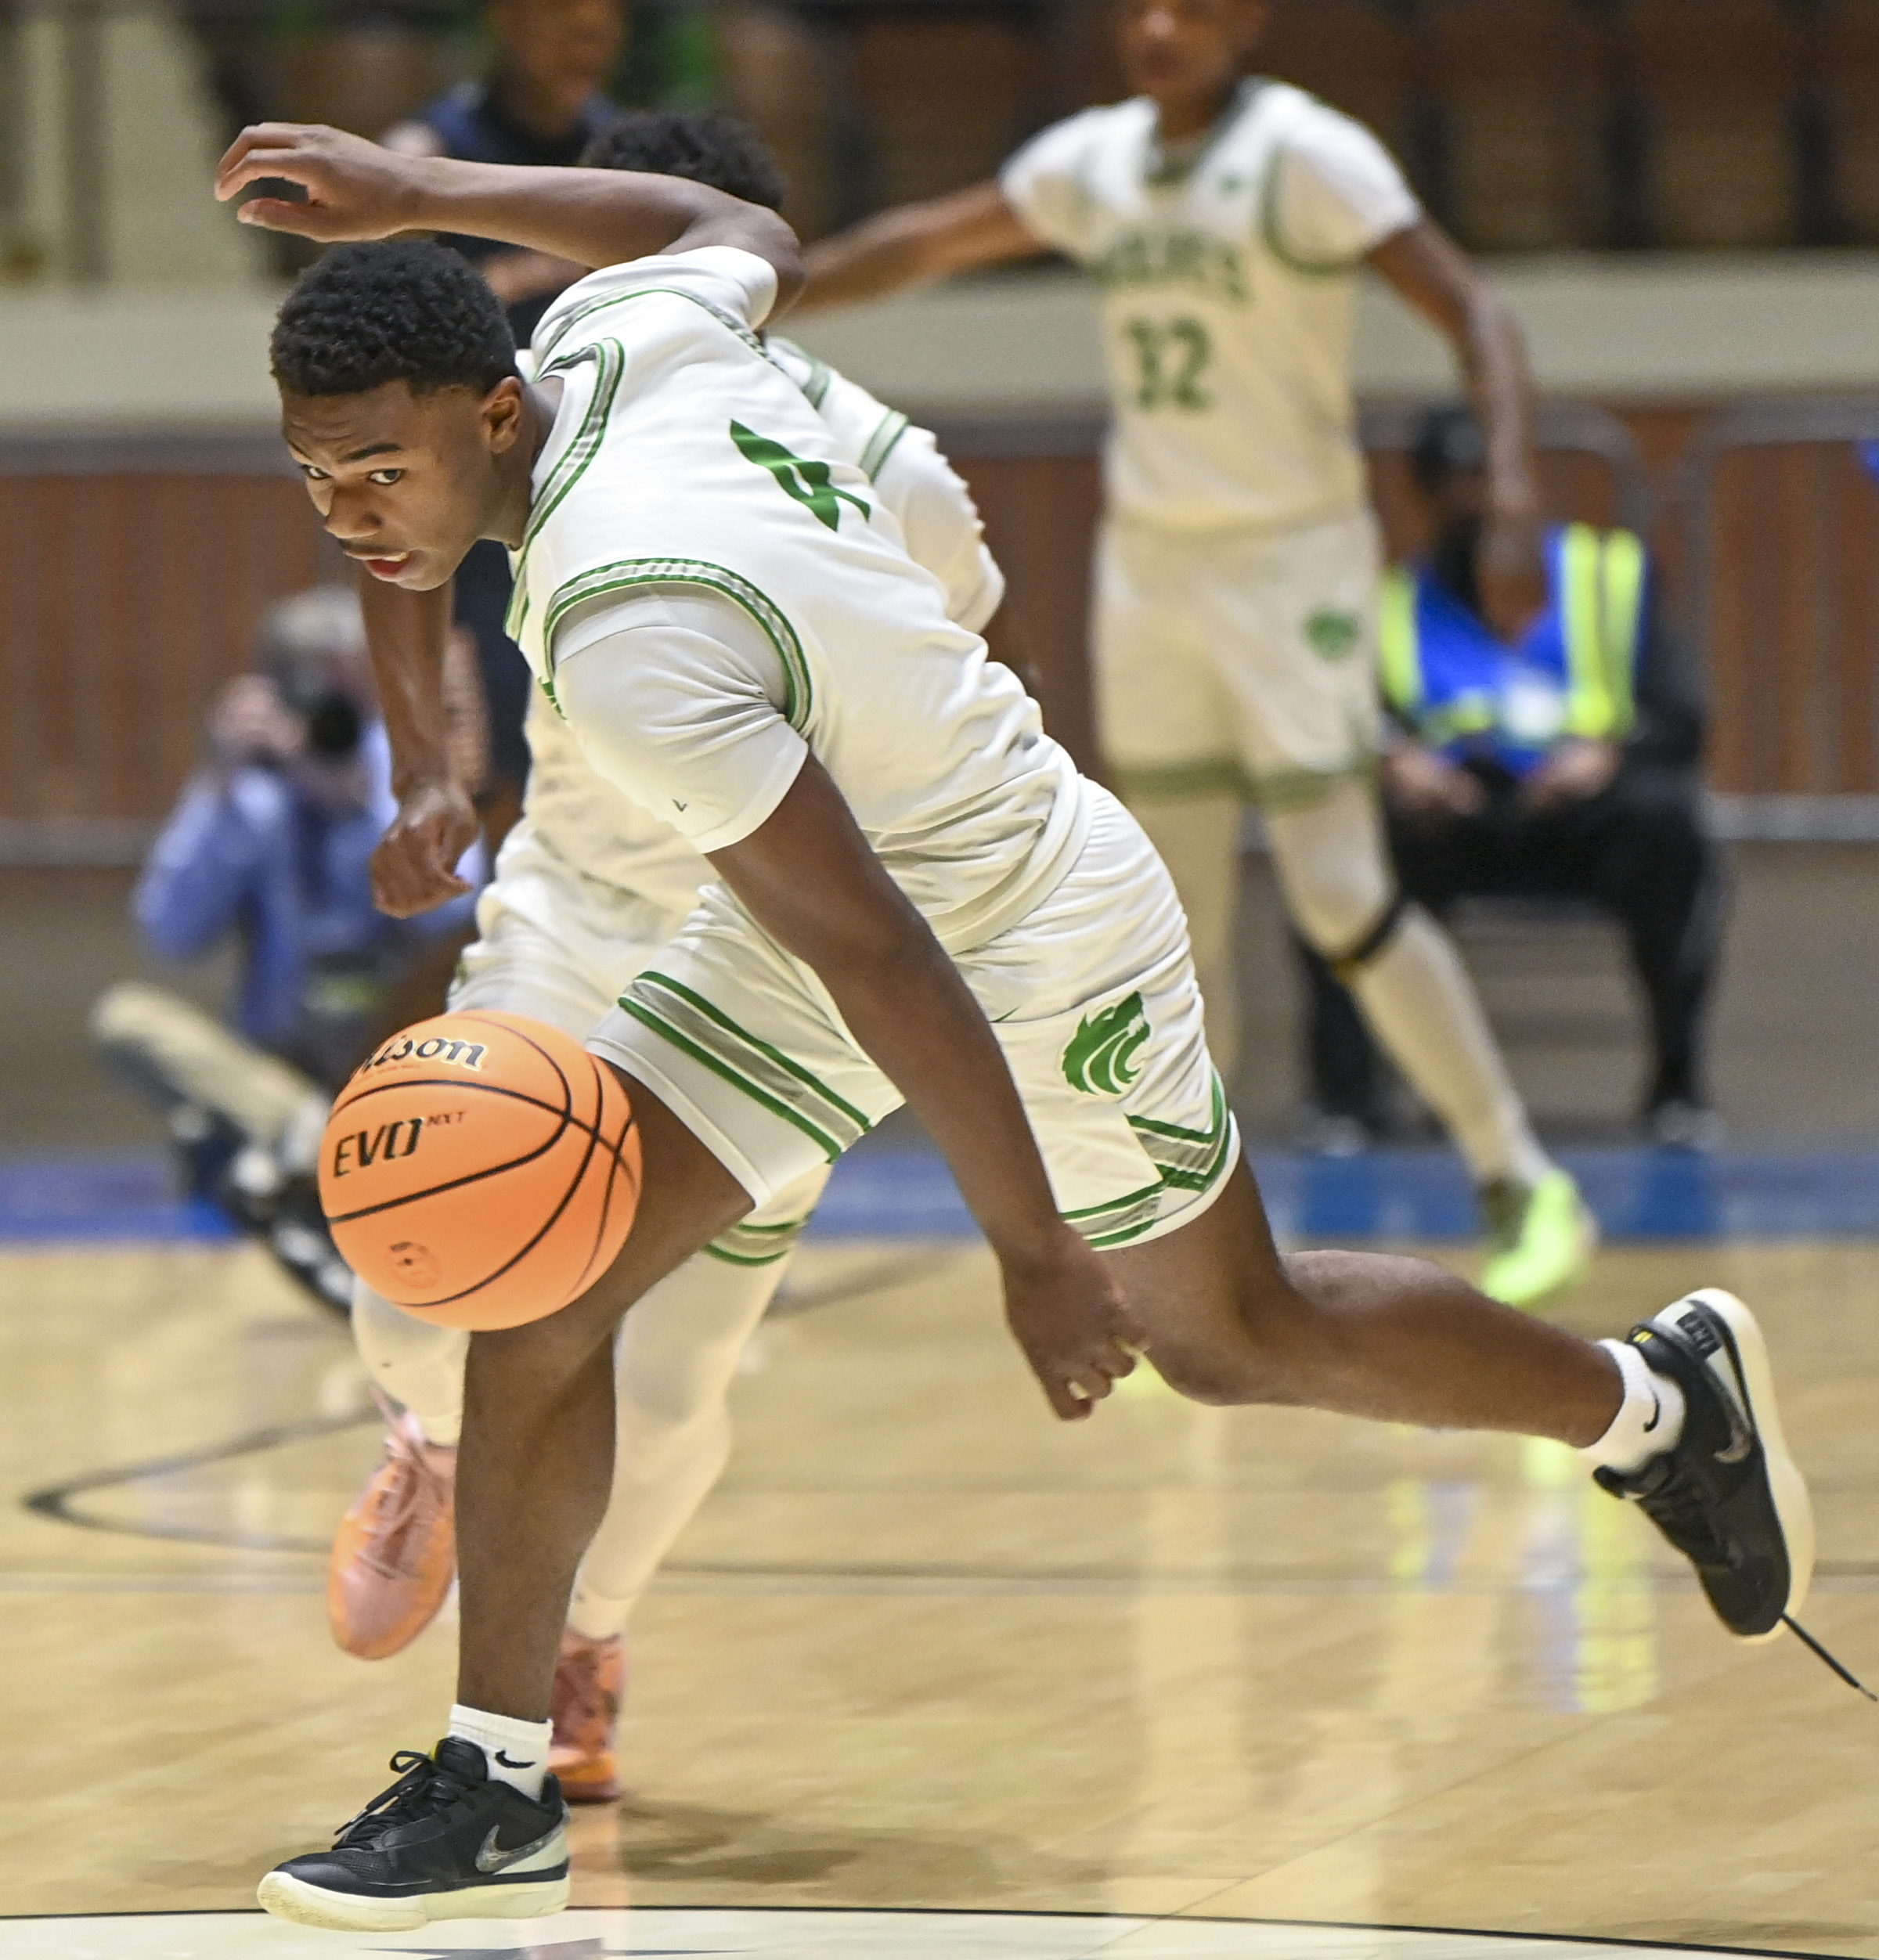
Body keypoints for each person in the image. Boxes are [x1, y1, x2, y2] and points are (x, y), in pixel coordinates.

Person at [213, 126, 1810, 1934]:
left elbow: (895, 960)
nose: (351, 511)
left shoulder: (625, 622)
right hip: (813, 907)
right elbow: (726, 216)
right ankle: (495, 1773)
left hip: (1020, 908)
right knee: (542, 1287)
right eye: (316, 479)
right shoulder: (619, 330)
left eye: (377, 468)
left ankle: (1647, 1399)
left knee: (1227, 1331)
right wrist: (416, 187)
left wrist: (1029, 1246)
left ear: (494, 416)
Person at [330, 108, 1008, 1812]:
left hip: (764, 955)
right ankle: (428, 1441)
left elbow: (941, 721)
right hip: (574, 906)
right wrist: (435, 760)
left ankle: (583, 1631)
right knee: (423, 1275)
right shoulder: (548, 378)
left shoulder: (897, 475)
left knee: (686, 1366)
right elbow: (396, 543)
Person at [788, 0, 1596, 1307]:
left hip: (1293, 563)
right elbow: (924, 241)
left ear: (1248, 20)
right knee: (1175, 914)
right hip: (1155, 565)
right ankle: (1194, 1259)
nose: (1160, 26)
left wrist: (1510, 492)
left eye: (1194, 4)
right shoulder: (1096, 161)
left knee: (1341, 891)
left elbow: (1477, 312)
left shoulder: (1307, 153)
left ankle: (1519, 1173)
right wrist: (758, 288)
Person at [1297, 405, 1724, 1151]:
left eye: (1490, 478)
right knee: (1334, 853)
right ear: (1425, 496)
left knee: (1668, 825)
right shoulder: (1392, 603)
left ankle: (1677, 1091)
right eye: (1458, 482)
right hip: (1453, 824)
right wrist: (1401, 764)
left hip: (1581, 817)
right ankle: (1347, 1104)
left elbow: (1680, 718)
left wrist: (1607, 755)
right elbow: (1352, 728)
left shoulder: (1608, 578)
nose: (1481, 501)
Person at [92, 587, 484, 1310]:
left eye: (342, 674)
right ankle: (310, 1142)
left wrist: (365, 808)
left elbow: (459, 919)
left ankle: (315, 1160)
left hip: (400, 1068)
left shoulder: (411, 767)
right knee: (126, 1019)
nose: (324, 696)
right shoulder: (250, 788)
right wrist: (225, 785)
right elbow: (169, 933)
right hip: (286, 1075)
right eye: (305, 675)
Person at [383, 0, 627, 842]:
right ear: (507, 21)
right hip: (485, 514)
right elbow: (388, 310)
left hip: (612, 491)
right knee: (498, 783)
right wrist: (540, 271)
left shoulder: (623, 156)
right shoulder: (429, 155)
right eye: (565, 21)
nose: (584, 42)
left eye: (600, 25)